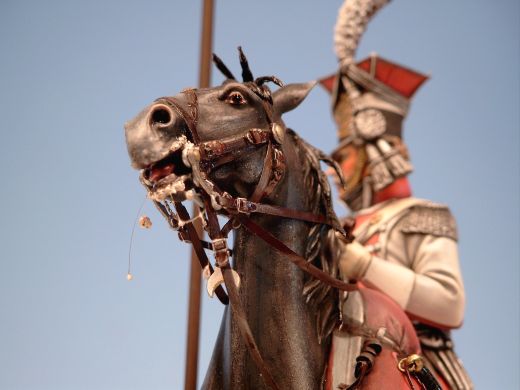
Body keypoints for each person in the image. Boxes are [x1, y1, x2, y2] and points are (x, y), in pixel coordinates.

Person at [319, 1, 473, 388]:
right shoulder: (345, 225)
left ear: (378, 153)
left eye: (345, 157)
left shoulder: (425, 213)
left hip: (418, 360)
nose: (334, 173)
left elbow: (449, 304)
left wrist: (366, 267)